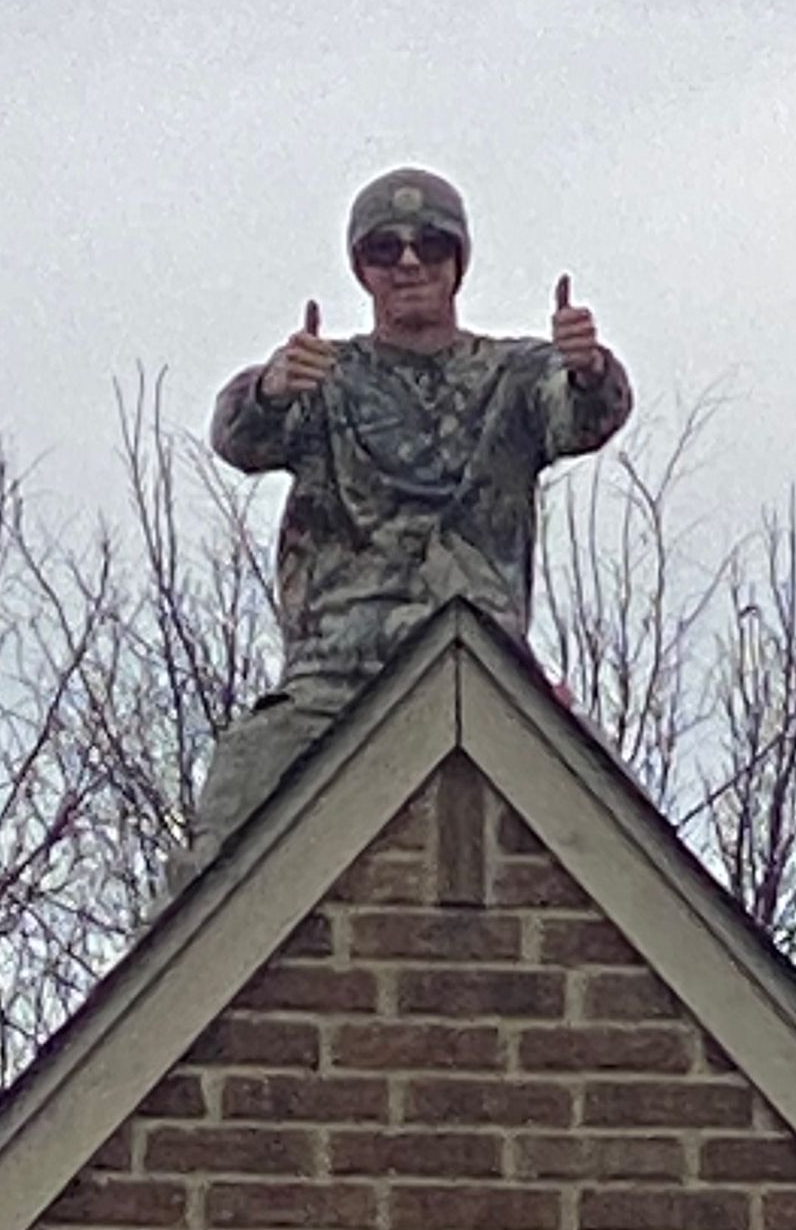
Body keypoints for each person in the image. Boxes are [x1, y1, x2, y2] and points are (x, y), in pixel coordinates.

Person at [174, 167, 632, 881]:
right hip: (339, 675)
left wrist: (589, 368)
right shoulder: (324, 377)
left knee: (614, 829)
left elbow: (582, 416)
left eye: (430, 245)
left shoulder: (513, 375)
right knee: (240, 797)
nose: (410, 262)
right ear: (363, 270)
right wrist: (271, 388)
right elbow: (241, 439)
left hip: (483, 665)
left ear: (457, 263)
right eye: (386, 249)